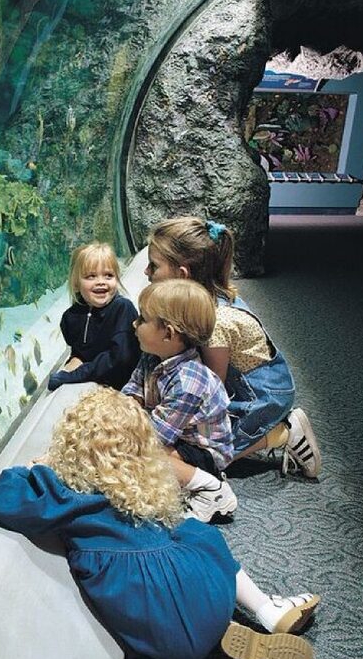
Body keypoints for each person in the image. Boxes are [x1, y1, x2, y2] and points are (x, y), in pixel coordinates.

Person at [0, 387, 320, 659]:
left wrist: (36, 467)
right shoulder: (143, 494)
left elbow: (2, 498)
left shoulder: (65, 497)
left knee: (160, 591)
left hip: (164, 647)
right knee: (198, 535)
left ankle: (197, 628)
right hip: (204, 593)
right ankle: (258, 609)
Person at [145, 217, 321, 477]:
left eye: (153, 266)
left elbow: (212, 388)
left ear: (181, 274)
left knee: (204, 459)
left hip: (260, 397)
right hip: (240, 387)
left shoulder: (216, 322)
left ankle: (282, 433)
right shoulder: (197, 303)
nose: (146, 273)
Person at [123, 280, 237, 522]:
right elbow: (133, 389)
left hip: (203, 451)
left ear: (168, 333)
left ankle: (211, 489)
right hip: (178, 436)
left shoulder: (188, 383)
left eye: (142, 319)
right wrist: (129, 406)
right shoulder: (150, 357)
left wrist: (120, 432)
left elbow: (157, 435)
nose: (134, 323)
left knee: (143, 456)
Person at [48, 242, 140, 392]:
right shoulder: (70, 317)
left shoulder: (123, 309)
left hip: (126, 387)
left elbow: (120, 359)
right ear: (76, 284)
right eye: (91, 276)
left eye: (109, 275)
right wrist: (76, 359)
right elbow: (80, 352)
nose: (101, 282)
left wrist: (71, 376)